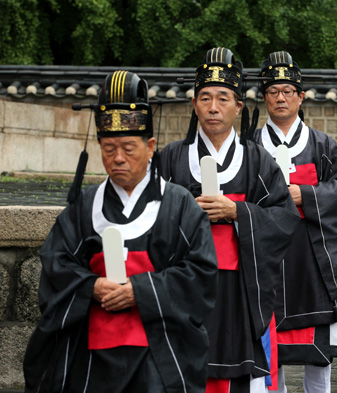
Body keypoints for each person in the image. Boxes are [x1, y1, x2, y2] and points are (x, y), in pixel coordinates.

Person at [24, 71, 218, 393]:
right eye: (109, 147)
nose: (117, 159)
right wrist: (92, 286)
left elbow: (201, 273)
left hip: (158, 349)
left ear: (151, 145)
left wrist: (140, 291)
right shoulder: (85, 206)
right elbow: (56, 263)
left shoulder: (179, 204)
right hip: (92, 350)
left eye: (128, 148)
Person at [160, 48, 300, 393]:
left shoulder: (257, 160)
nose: (213, 107)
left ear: (238, 106)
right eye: (205, 98)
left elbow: (285, 217)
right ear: (194, 104)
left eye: (223, 98)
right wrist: (182, 212)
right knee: (183, 363)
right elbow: (150, 217)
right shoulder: (171, 158)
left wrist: (237, 212)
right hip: (185, 280)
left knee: (234, 370)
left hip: (239, 283)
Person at [251, 51, 337, 393]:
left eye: (287, 90)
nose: (280, 97)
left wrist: (307, 195)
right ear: (264, 97)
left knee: (317, 350)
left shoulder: (322, 144)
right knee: (269, 344)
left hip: (310, 255)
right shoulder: (250, 146)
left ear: (301, 96)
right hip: (265, 256)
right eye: (272, 91)